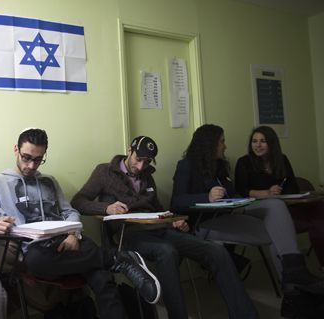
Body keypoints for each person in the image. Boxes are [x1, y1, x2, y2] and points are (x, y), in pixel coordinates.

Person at [0, 128, 160, 319]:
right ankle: (117, 259)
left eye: (38, 159)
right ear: (16, 150)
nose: (32, 166)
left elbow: (70, 212)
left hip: (69, 243)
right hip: (35, 251)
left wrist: (73, 234)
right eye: (26, 158)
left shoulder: (50, 182)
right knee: (38, 262)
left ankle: (114, 263)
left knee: (101, 277)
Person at [71, 135, 258, 319]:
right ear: (129, 150)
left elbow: (157, 209)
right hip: (127, 235)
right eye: (138, 159)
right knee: (167, 252)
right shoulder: (105, 172)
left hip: (160, 229)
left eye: (147, 162)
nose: (141, 166)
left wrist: (173, 220)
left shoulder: (147, 176)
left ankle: (246, 315)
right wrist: (106, 208)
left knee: (216, 251)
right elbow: (78, 201)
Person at [170, 124, 324, 317]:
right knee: (280, 235)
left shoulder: (220, 165)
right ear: (209, 144)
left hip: (228, 216)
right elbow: (176, 201)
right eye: (222, 142)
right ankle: (295, 292)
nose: (225, 146)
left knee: (276, 207)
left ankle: (293, 288)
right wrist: (206, 197)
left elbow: (233, 193)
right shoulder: (186, 166)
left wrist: (238, 200)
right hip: (203, 224)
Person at [235, 125, 324, 270]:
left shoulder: (282, 159)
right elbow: (242, 190)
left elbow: (292, 187)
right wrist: (267, 192)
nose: (257, 145)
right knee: (312, 218)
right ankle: (295, 270)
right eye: (254, 141)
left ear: (272, 143)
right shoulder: (244, 162)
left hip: (286, 203)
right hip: (261, 209)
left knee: (319, 209)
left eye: (263, 141)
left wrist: (280, 192)